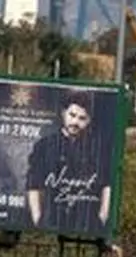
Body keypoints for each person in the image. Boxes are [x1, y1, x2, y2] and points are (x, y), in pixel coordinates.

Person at [26, 90, 114, 235]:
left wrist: (102, 217)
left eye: (82, 118)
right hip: (51, 221)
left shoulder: (97, 147)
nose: (75, 122)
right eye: (72, 115)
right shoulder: (45, 145)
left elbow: (107, 184)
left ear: (89, 120)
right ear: (63, 113)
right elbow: (32, 184)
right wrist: (37, 219)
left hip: (86, 222)